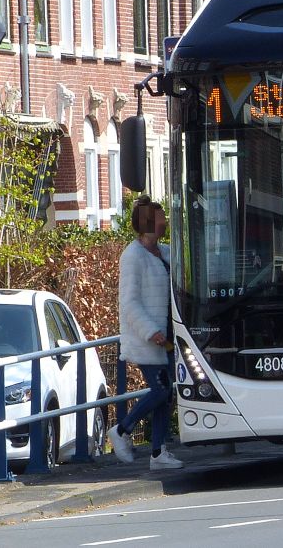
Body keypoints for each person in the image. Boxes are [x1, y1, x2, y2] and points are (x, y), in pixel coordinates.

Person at [107, 196, 184, 470]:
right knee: (161, 390)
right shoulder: (132, 256)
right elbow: (129, 302)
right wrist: (151, 331)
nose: (166, 222)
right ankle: (122, 429)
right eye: (162, 217)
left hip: (169, 335)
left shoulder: (164, 252)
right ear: (150, 222)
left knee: (168, 392)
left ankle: (158, 452)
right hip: (150, 339)